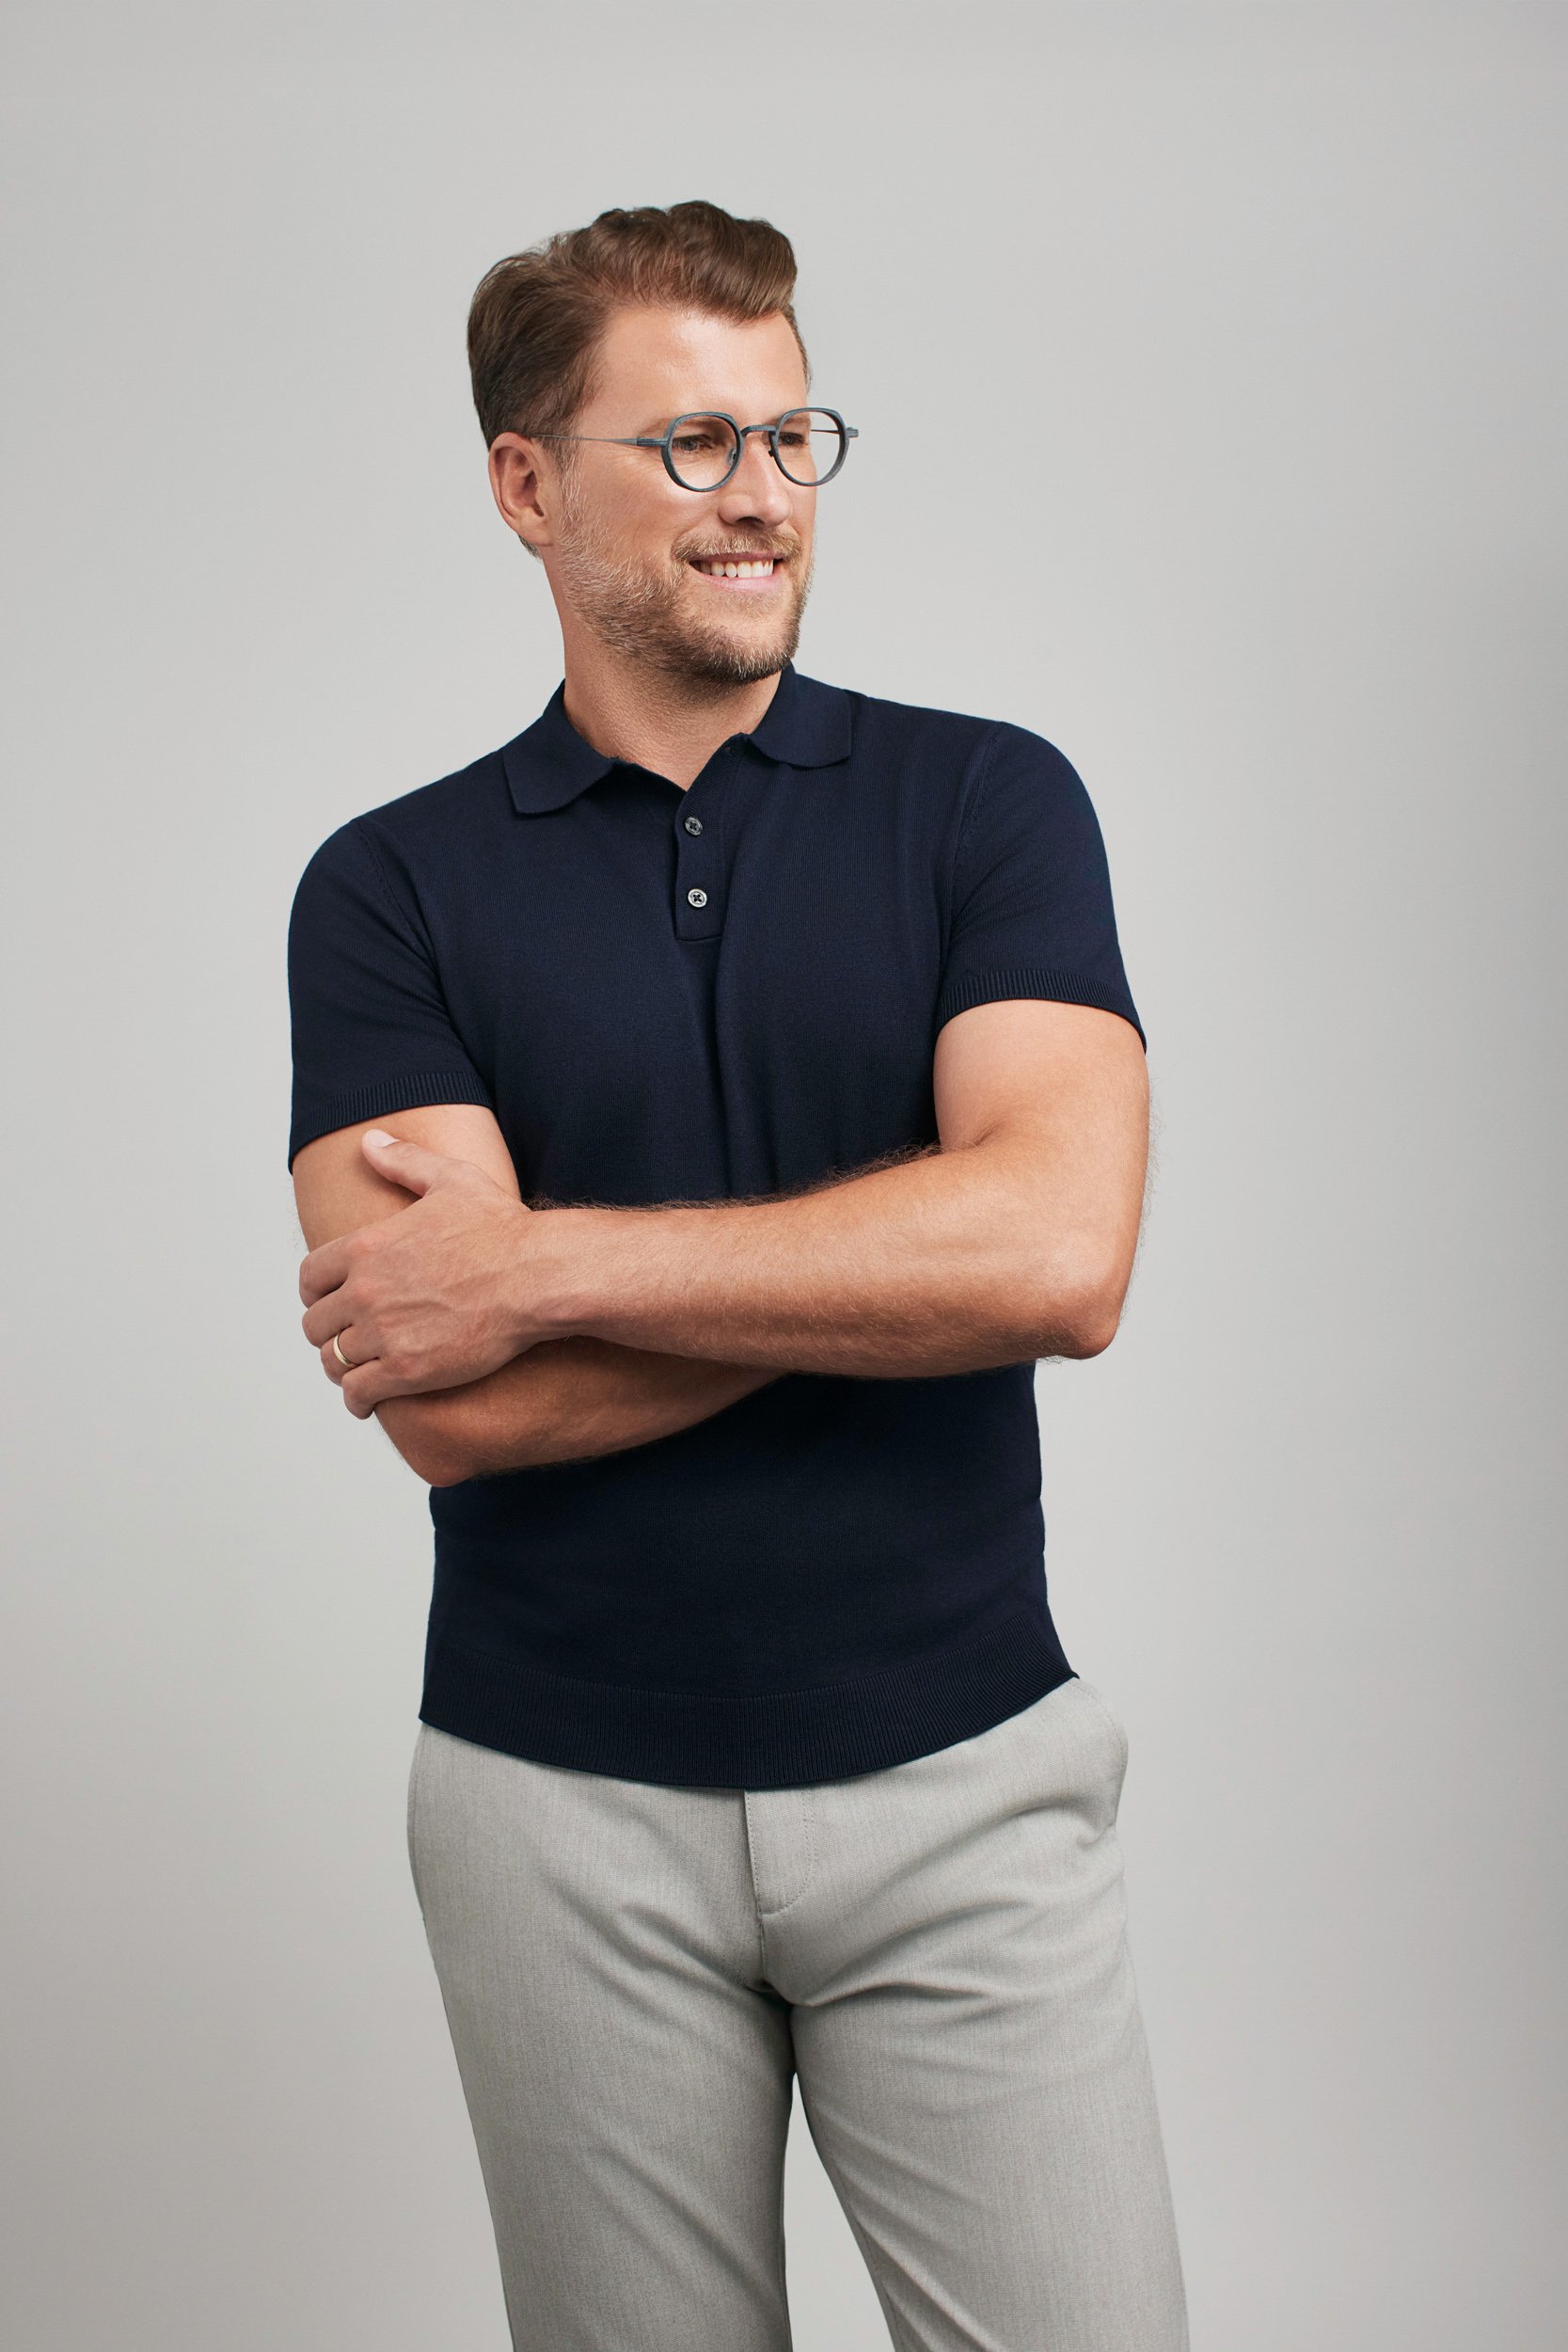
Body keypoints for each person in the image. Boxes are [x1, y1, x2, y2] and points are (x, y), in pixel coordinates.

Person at [287, 199, 1189, 2352]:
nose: (763, 492)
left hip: (964, 1769)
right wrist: (897, 1258)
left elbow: (1058, 1255)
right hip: (552, 1809)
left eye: (794, 436)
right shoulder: (389, 887)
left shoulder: (987, 803)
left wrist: (548, 1262)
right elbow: (457, 1398)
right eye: (692, 441)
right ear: (527, 482)